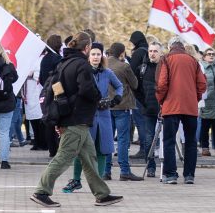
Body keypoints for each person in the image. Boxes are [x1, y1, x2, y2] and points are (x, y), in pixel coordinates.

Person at [30, 32, 123, 208]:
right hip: (77, 119)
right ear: (87, 48)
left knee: (89, 157)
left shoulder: (64, 62)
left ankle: (102, 194)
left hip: (69, 117)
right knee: (64, 157)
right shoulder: (82, 65)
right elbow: (87, 90)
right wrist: (98, 97)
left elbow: (55, 87)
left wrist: (61, 113)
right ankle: (41, 191)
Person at [63, 42, 122, 190]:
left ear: (102, 56)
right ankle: (76, 179)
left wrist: (117, 98)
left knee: (102, 149)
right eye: (93, 54)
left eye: (98, 54)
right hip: (86, 116)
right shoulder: (83, 71)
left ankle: (98, 182)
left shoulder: (107, 72)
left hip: (104, 116)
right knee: (81, 150)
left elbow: (120, 86)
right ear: (88, 56)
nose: (96, 57)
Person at [156, 36, 207, 185]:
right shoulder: (193, 61)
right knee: (191, 141)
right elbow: (202, 84)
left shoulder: (166, 59)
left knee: (169, 141)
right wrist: (194, 98)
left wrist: (161, 101)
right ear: (183, 46)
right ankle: (189, 175)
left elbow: (162, 84)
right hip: (190, 106)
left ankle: (171, 174)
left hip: (171, 106)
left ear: (170, 46)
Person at [107, 42, 143, 181]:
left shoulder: (103, 65)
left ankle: (106, 170)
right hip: (122, 106)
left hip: (106, 107)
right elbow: (134, 84)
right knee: (123, 140)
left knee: (107, 140)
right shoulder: (124, 66)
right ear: (122, 53)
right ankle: (124, 171)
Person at [140, 41, 162, 178]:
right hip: (148, 108)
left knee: (166, 139)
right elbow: (137, 87)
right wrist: (143, 102)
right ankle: (150, 166)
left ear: (160, 53)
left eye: (155, 51)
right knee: (148, 139)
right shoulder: (143, 68)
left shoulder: (165, 66)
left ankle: (167, 166)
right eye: (150, 51)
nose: (152, 54)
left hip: (164, 108)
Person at [128, 31, 150, 157]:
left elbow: (131, 73)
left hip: (138, 93)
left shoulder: (138, 53)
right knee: (149, 122)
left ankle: (143, 149)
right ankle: (151, 148)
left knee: (140, 122)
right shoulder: (150, 51)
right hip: (150, 92)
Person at [198, 47, 215, 156]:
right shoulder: (201, 67)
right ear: (204, 56)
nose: (211, 55)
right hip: (206, 101)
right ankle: (205, 147)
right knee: (205, 127)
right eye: (209, 54)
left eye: (213, 54)